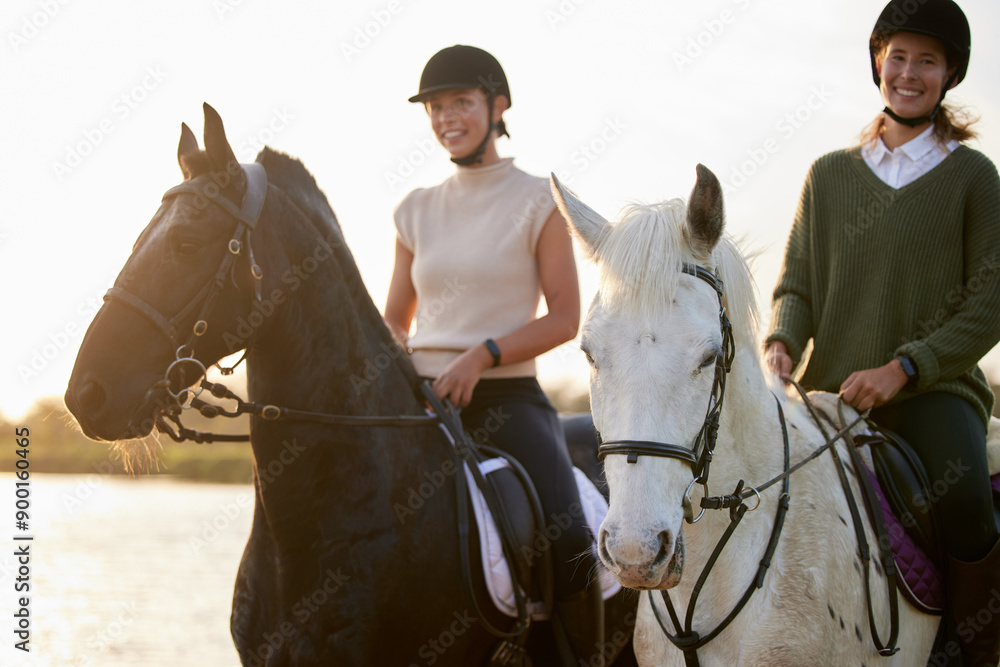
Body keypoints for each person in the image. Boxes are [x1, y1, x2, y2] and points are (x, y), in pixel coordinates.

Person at [764, 1, 1000, 664]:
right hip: (829, 392)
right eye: (898, 55)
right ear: (877, 61)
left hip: (933, 393)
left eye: (928, 59)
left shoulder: (973, 178)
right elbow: (797, 286)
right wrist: (782, 338)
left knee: (966, 501)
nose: (909, 72)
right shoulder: (829, 174)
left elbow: (989, 303)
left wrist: (905, 367)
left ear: (950, 72)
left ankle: (971, 648)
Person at [383, 44, 604, 665]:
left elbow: (565, 317)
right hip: (421, 399)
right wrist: (397, 367)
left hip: (505, 397)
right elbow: (394, 322)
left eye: (462, 102)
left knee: (568, 535)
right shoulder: (413, 210)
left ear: (497, 106)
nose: (447, 117)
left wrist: (481, 355)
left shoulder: (540, 199)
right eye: (435, 106)